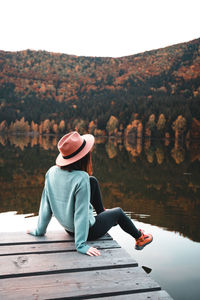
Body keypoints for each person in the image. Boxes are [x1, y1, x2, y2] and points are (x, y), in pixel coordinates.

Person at [27, 131, 153, 256]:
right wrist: (80, 245)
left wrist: (39, 230)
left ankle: (103, 214)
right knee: (119, 212)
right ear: (84, 156)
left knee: (92, 181)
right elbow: (81, 213)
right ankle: (140, 238)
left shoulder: (51, 172)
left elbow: (45, 206)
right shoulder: (81, 178)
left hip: (68, 228)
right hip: (86, 232)